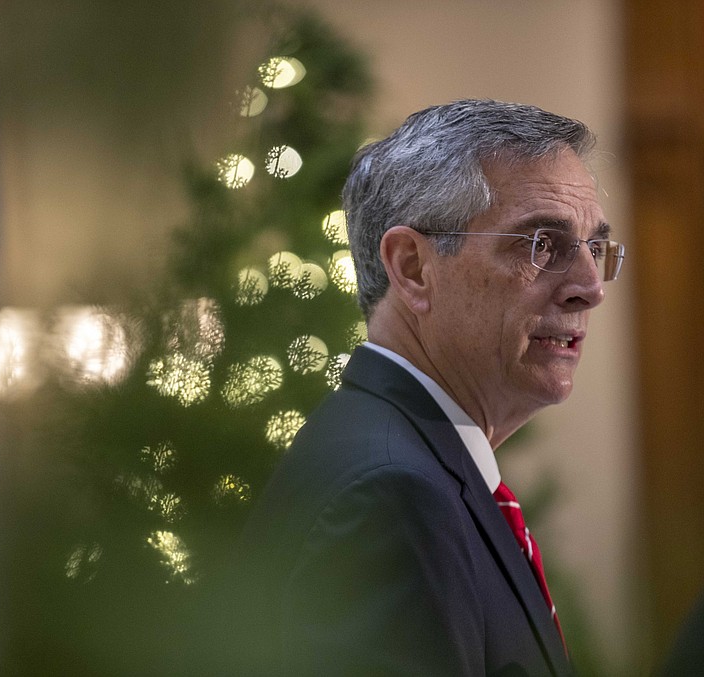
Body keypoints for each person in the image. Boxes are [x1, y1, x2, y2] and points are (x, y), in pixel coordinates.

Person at [229, 99, 625, 676]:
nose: (590, 288)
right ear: (413, 267)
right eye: (542, 244)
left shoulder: (408, 459)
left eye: (595, 248)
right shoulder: (390, 498)